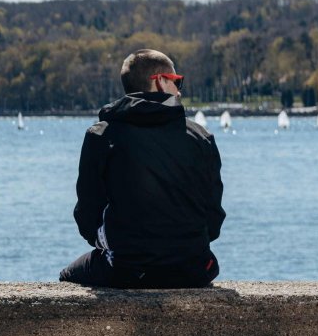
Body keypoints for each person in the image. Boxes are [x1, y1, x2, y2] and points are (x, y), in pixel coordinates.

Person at [60, 49, 226, 289]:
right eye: (177, 81)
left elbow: (87, 215)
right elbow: (214, 217)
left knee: (67, 277)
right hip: (193, 269)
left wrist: (117, 243)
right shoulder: (201, 137)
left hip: (127, 270)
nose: (179, 90)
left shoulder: (101, 135)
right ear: (159, 81)